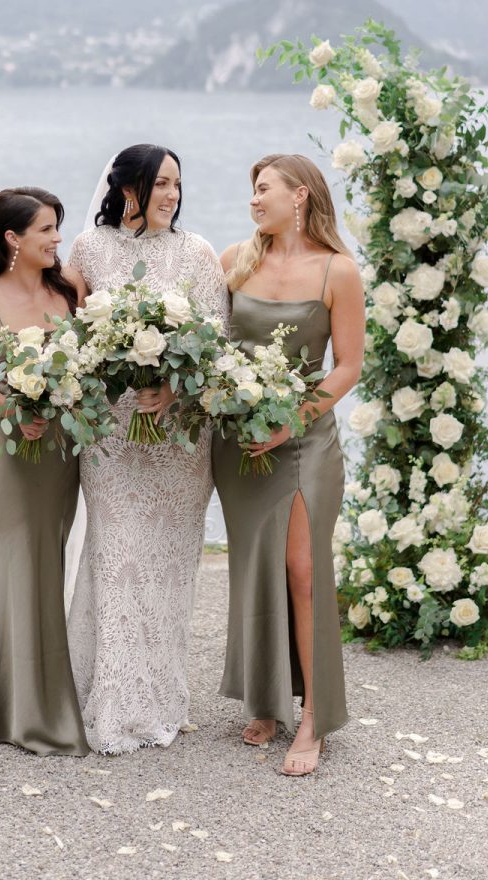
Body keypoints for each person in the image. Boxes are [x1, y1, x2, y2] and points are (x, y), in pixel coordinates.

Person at [65, 144, 229, 754]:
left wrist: (171, 384)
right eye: (161, 183)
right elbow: (74, 338)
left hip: (181, 440)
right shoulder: (90, 250)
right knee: (117, 557)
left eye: (177, 184)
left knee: (169, 565)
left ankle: (163, 691)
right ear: (129, 188)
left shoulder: (199, 253)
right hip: (113, 439)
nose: (172, 194)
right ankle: (112, 698)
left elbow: (216, 343)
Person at [212, 154, 364, 776]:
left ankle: (313, 719)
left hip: (303, 440)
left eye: (263, 189)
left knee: (302, 569)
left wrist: (289, 422)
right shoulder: (233, 262)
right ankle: (267, 702)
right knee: (254, 567)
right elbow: (205, 348)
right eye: (252, 190)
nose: (253, 199)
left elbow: (347, 368)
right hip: (240, 444)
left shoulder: (339, 271)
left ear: (299, 196)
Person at [0, 187, 89, 756]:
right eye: (47, 230)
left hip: (60, 456)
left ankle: (44, 697)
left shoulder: (71, 290)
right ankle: (20, 711)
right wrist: (14, 409)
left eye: (58, 228)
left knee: (49, 566)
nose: (58, 239)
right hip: (10, 455)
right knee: (17, 572)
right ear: (13, 238)